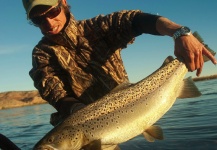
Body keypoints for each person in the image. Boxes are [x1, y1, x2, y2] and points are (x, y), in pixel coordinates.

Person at [22, 0, 217, 126]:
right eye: (38, 19)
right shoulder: (42, 54)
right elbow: (56, 93)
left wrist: (180, 32)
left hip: (129, 106)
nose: (48, 22)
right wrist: (82, 114)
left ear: (63, 3)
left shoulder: (95, 28)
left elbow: (134, 20)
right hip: (82, 128)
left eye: (53, 11)